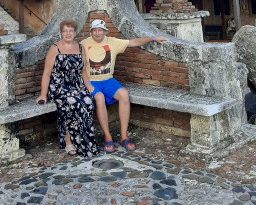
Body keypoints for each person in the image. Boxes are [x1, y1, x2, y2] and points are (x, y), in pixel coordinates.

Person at [81, 19, 168, 153]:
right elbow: (78, 64)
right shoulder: (84, 44)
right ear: (91, 32)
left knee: (124, 94)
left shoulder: (112, 42)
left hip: (108, 80)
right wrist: (86, 83)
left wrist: (153, 38)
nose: (97, 33)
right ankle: (108, 137)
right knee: (99, 98)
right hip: (92, 81)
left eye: (100, 30)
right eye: (94, 30)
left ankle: (124, 137)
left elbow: (132, 42)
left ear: (105, 31)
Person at [36, 20, 100, 157]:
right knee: (73, 102)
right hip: (59, 86)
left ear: (75, 32)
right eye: (65, 31)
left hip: (77, 85)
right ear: (61, 33)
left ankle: (85, 141)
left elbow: (83, 70)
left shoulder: (80, 47)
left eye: (71, 30)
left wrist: (88, 84)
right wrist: (43, 94)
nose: (68, 33)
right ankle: (68, 140)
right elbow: (46, 73)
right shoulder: (55, 48)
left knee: (88, 102)